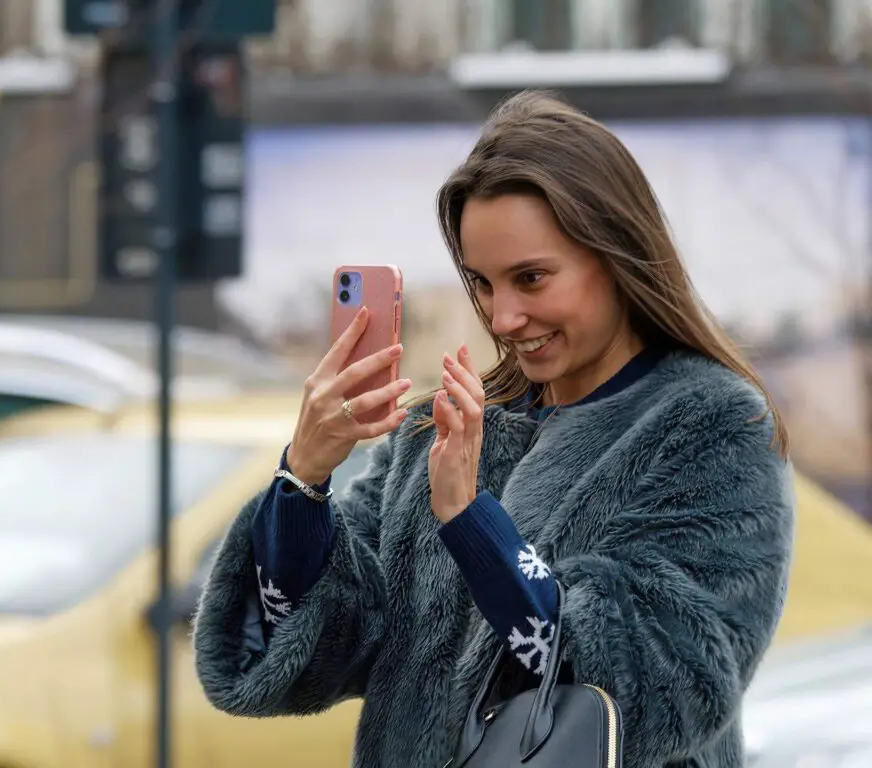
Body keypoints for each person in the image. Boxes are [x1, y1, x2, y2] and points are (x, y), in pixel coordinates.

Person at [193, 90, 795, 768]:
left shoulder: (712, 424)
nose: (502, 317)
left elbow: (668, 685)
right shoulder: (440, 429)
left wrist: (473, 521)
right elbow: (317, 652)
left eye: (531, 279)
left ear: (618, 254)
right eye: (481, 282)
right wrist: (302, 479)